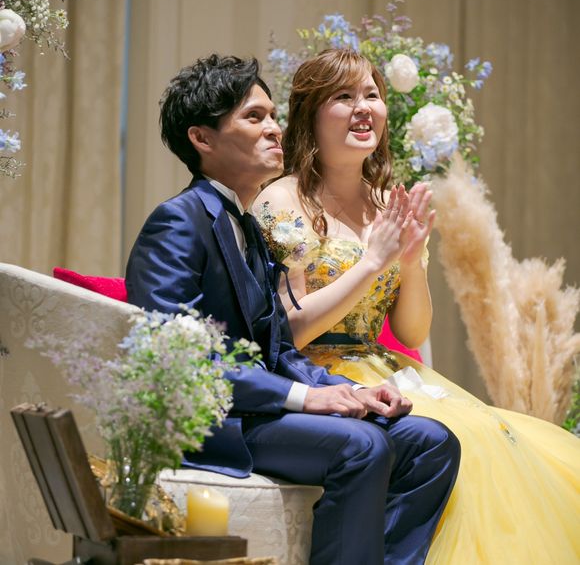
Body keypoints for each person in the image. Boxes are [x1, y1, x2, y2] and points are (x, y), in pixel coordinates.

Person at [125, 54, 460, 565]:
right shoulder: (178, 222)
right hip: (218, 421)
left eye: (273, 116)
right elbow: (179, 364)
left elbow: (277, 346)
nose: (274, 129)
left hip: (262, 407)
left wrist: (350, 391)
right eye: (253, 117)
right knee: (361, 445)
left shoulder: (245, 226)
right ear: (202, 138)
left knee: (431, 441)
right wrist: (304, 397)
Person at [253, 48, 580, 564]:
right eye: (344, 96)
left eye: (372, 95)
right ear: (310, 113)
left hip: (382, 364)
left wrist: (409, 261)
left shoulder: (388, 203)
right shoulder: (282, 200)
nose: (364, 108)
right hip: (315, 371)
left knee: (495, 433)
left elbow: (411, 331)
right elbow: (289, 333)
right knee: (455, 436)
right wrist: (370, 263)